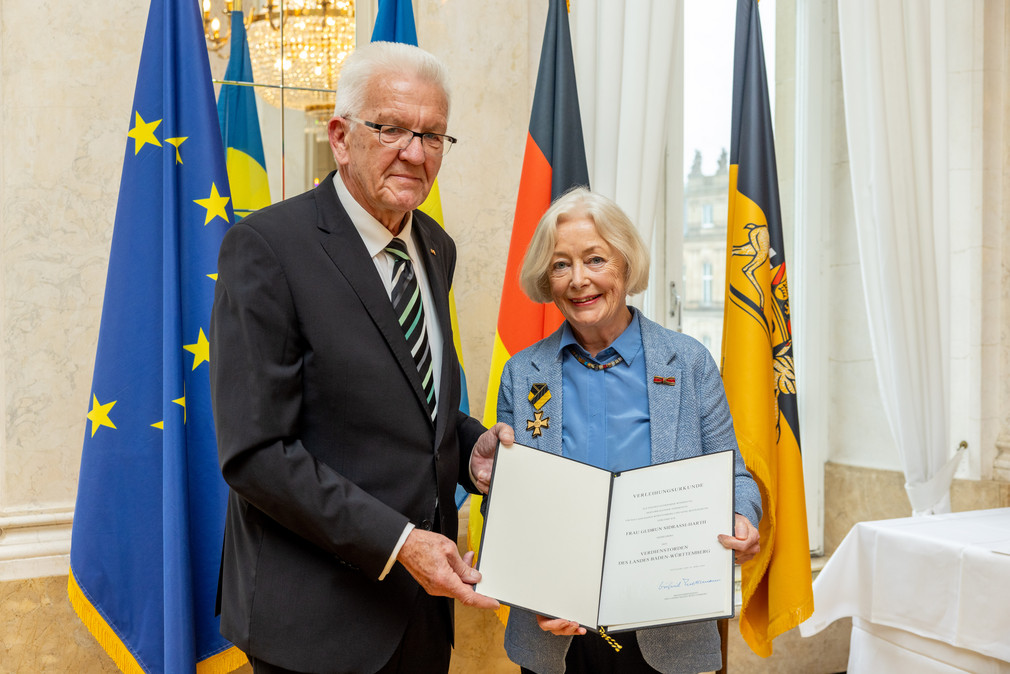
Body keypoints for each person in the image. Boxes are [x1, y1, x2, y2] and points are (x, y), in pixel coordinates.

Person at [209, 41, 510, 674]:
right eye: (392, 127)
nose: (414, 152)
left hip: (422, 615)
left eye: (433, 135)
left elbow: (409, 397)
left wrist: (471, 444)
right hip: (315, 624)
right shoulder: (266, 247)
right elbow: (256, 453)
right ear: (341, 136)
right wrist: (399, 543)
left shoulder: (435, 248)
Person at [495, 187, 761, 674]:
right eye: (560, 265)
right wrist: (528, 587)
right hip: (556, 632)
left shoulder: (688, 364)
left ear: (625, 264)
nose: (579, 280)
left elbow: (735, 479)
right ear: (546, 277)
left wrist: (744, 519)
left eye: (595, 259)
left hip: (669, 630)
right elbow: (508, 503)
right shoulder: (522, 373)